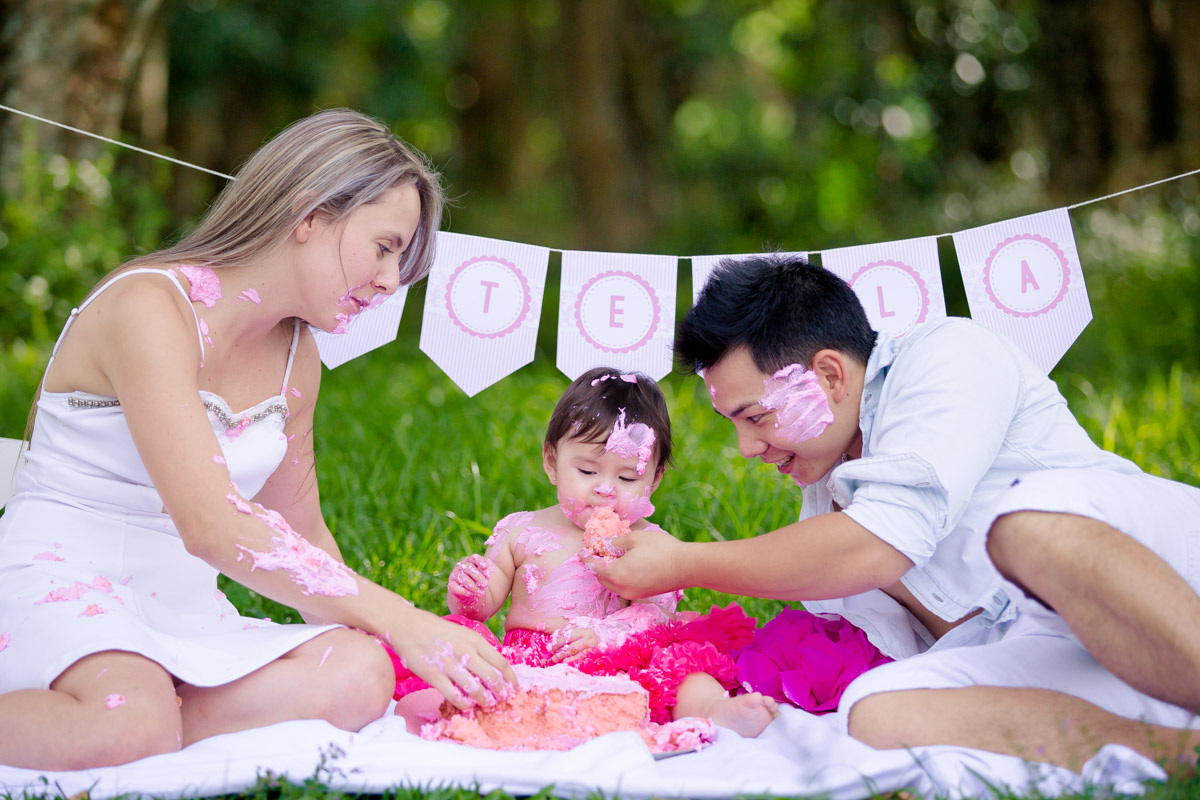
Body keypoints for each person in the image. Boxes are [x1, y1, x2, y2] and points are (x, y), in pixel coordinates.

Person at [0, 108, 516, 771]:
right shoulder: (150, 308)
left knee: (358, 673)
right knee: (129, 718)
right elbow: (212, 523)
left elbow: (302, 539)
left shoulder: (296, 357)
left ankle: (153, 724)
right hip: (61, 580)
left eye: (402, 260)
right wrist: (400, 618)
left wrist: (398, 651)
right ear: (309, 216)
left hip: (178, 607)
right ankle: (139, 723)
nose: (392, 281)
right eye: (385, 247)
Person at [591, 252, 1200, 771]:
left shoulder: (947, 355)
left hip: (1160, 569)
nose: (748, 448)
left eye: (756, 417)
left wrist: (682, 564)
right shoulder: (827, 507)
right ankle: (1175, 752)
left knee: (1027, 535)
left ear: (828, 374)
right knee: (876, 713)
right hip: (1056, 643)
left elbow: (882, 542)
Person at [427, 366, 778, 737]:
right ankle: (440, 707)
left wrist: (608, 634)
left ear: (654, 479)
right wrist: (469, 589)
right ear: (552, 463)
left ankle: (714, 710)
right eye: (587, 471)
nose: (606, 489)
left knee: (682, 666)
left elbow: (656, 614)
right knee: (457, 644)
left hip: (617, 660)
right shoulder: (522, 530)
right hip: (530, 663)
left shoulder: (648, 542)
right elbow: (482, 608)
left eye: (627, 478)